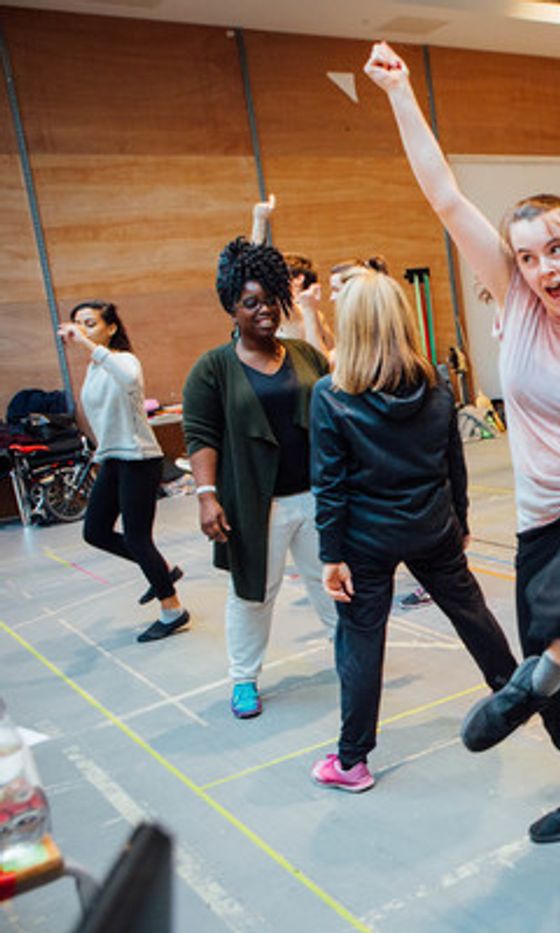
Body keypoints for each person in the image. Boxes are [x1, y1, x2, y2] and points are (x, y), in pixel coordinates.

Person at [366, 41, 560, 842]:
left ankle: (542, 663)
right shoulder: (514, 303)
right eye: (528, 256)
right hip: (544, 517)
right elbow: (445, 196)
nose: (543, 268)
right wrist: (401, 91)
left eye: (556, 249)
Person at [308, 266, 517, 792]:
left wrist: (330, 554)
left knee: (361, 640)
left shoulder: (331, 395)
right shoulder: (436, 386)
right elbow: (454, 463)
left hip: (365, 540)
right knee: (470, 610)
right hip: (432, 525)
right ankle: (513, 692)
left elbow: (329, 484)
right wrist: (460, 520)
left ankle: (351, 761)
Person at [183, 237, 339, 719]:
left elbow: (334, 417)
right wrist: (207, 496)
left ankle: (352, 657)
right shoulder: (213, 368)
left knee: (331, 584)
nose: (264, 310)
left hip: (316, 496)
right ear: (232, 308)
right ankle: (244, 679)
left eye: (271, 299)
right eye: (251, 303)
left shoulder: (304, 355)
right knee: (253, 594)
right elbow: (200, 434)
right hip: (256, 504)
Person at [58, 302, 188, 643]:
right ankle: (164, 570)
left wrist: (86, 343)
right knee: (95, 531)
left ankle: (173, 610)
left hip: (139, 458)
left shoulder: (124, 361)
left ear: (111, 328)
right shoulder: (95, 367)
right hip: (113, 458)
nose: (82, 330)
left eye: (90, 323)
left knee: (137, 537)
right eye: (77, 324)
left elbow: (128, 378)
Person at [249, 194, 334, 356]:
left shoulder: (296, 310)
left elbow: (254, 269)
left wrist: (259, 221)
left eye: (278, 274)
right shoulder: (313, 313)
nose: (272, 279)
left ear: (298, 279)